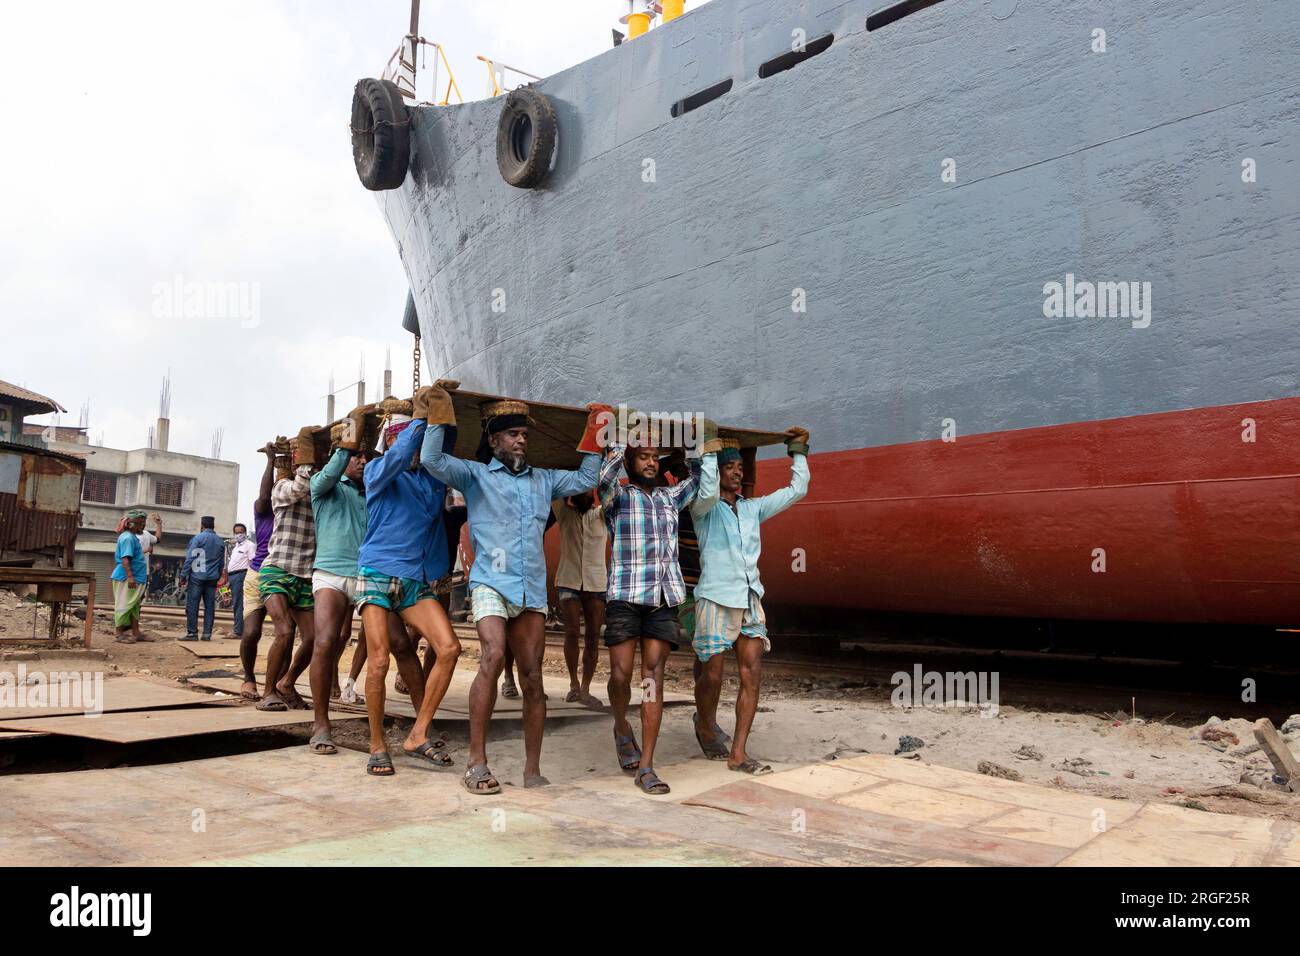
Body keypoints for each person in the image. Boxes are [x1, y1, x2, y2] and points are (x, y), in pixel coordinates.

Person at [419, 381, 607, 794]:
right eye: (513, 434)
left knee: (534, 677)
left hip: (531, 593)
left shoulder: (544, 480)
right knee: (493, 655)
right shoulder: (474, 474)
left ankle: (532, 768)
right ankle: (476, 762)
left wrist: (597, 426)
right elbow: (431, 458)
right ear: (494, 439)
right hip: (490, 582)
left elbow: (588, 475)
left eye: (524, 435)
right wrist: (438, 410)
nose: (521, 440)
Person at [353, 396, 462, 776]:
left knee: (449, 648)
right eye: (410, 443)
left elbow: (441, 450)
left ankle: (417, 734)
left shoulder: (430, 482)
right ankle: (377, 745)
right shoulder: (379, 471)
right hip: (377, 574)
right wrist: (419, 420)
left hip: (413, 579)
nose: (416, 451)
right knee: (379, 659)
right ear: (398, 441)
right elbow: (400, 456)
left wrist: (444, 415)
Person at [691, 430, 810, 775]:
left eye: (740, 467)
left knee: (752, 675)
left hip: (749, 598)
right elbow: (708, 488)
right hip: (714, 598)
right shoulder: (704, 509)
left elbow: (797, 491)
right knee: (711, 675)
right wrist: (710, 453)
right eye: (730, 467)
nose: (738, 472)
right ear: (718, 470)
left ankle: (739, 753)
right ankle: (705, 723)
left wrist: (797, 451)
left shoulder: (752, 509)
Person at [598, 433, 701, 795]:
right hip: (625, 596)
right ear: (629, 463)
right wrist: (616, 440)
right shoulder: (617, 499)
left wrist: (686, 459)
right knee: (620, 676)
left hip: (662, 597)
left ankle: (647, 766)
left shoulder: (671, 497)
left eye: (655, 457)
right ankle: (621, 726)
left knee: (652, 679)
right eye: (642, 457)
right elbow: (605, 479)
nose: (650, 463)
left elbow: (700, 481)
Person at [277, 406, 371, 754]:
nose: (362, 462)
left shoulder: (368, 491)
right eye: (356, 457)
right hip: (330, 574)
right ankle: (321, 723)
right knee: (326, 640)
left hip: (363, 575)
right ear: (340, 459)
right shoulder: (323, 485)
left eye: (365, 457)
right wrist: (349, 433)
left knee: (389, 641)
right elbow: (332, 467)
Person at [256, 427, 319, 711]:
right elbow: (299, 488)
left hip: (304, 574)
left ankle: (287, 682)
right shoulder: (282, 488)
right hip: (278, 570)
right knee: (284, 630)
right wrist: (306, 461)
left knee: (314, 637)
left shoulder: (321, 491)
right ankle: (268, 691)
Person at [552, 492, 607, 707]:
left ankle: (585, 688)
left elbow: (612, 494)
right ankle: (574, 684)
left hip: (596, 583)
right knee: (572, 633)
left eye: (587, 490)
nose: (582, 494)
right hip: (569, 580)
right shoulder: (564, 513)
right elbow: (553, 488)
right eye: (578, 490)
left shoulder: (603, 515)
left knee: (593, 636)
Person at [238, 445, 281, 700]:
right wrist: (271, 461)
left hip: (282, 574)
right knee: (252, 632)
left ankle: (277, 683)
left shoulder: (298, 509)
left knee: (285, 633)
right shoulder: (263, 510)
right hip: (256, 574)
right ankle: (248, 677)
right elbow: (264, 495)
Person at [179, 515, 227, 641]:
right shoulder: (220, 541)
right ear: (213, 525)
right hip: (212, 578)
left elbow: (190, 558)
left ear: (202, 525)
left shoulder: (198, 538)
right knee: (209, 606)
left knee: (192, 605)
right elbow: (221, 562)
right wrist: (218, 575)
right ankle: (207, 634)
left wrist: (183, 575)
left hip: (197, 576)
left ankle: (192, 633)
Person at [112, 510, 151, 643]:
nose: (142, 526)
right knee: (124, 604)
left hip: (136, 577)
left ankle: (136, 632)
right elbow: (125, 559)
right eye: (139, 523)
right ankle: (119, 634)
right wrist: (130, 577)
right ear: (129, 524)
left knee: (134, 606)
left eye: (143, 523)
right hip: (126, 577)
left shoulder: (132, 537)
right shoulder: (128, 538)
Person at [226, 522, 255, 638]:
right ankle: (238, 629)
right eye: (236, 532)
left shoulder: (250, 545)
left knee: (239, 604)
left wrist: (249, 578)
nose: (238, 535)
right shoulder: (235, 548)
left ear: (245, 533)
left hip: (242, 576)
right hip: (233, 577)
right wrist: (229, 580)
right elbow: (233, 564)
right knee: (236, 604)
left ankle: (238, 631)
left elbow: (252, 562)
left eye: (240, 532)